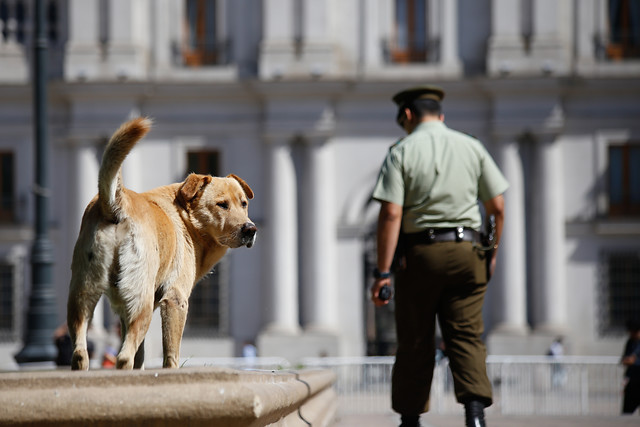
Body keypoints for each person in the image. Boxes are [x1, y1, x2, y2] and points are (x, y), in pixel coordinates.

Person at [371, 86, 508, 427]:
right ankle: (475, 417)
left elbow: (391, 214)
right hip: (469, 252)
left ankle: (410, 420)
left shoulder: (401, 151)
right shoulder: (472, 146)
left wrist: (382, 272)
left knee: (415, 339)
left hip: (421, 256)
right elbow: (498, 208)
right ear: (441, 115)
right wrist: (491, 253)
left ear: (407, 115)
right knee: (466, 336)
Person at [621, 319, 640, 414]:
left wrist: (634, 361)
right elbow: (624, 359)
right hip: (633, 382)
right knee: (626, 413)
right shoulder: (631, 342)